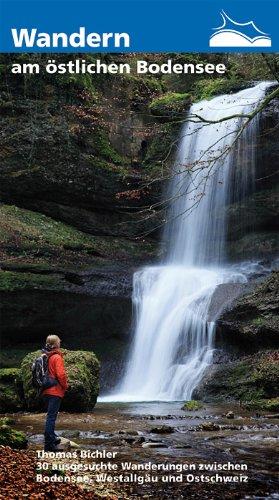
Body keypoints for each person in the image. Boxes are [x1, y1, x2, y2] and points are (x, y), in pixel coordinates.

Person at [42, 334, 68, 452]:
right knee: (51, 417)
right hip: (55, 390)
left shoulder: (46, 356)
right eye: (59, 341)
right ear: (55, 344)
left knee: (50, 416)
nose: (60, 341)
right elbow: (61, 374)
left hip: (46, 389)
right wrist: (65, 386)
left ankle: (52, 437)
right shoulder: (56, 357)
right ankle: (49, 445)